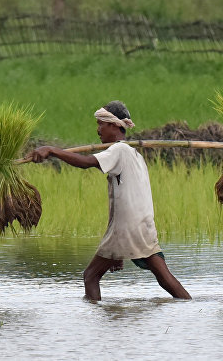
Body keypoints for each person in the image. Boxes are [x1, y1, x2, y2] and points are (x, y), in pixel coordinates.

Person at [29, 100, 191, 301]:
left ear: (114, 126)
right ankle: (188, 305)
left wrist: (52, 150)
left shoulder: (119, 150)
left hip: (127, 228)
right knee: (163, 276)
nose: (98, 130)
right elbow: (121, 202)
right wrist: (117, 248)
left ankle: (97, 323)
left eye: (100, 124)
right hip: (142, 225)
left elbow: (87, 163)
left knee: (90, 276)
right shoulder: (134, 154)